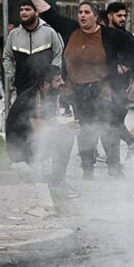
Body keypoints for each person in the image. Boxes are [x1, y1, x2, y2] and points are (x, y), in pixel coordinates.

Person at [21, 0, 134, 179]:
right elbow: (50, 14)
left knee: (108, 129)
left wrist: (123, 68)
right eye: (80, 12)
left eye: (86, 12)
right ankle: (87, 169)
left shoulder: (109, 34)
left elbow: (133, 48)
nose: (82, 15)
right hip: (78, 91)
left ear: (95, 17)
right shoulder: (71, 30)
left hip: (102, 89)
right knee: (85, 130)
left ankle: (114, 167)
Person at [5, 64, 79, 198]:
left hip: (31, 144)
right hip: (20, 151)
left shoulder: (46, 96)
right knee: (64, 137)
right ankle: (57, 182)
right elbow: (38, 128)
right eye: (57, 80)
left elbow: (50, 123)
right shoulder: (33, 98)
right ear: (46, 84)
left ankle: (56, 178)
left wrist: (69, 127)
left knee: (65, 134)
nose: (62, 83)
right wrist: (64, 128)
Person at [2, 0, 64, 95]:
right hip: (23, 89)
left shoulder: (50, 32)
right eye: (21, 10)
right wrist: (13, 77)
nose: (23, 12)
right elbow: (7, 57)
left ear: (36, 12)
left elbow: (59, 54)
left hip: (47, 90)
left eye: (27, 9)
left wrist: (52, 78)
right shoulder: (14, 34)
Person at [106, 1, 134, 158]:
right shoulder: (102, 35)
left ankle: (128, 146)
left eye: (124, 16)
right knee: (107, 123)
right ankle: (119, 153)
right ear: (110, 16)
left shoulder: (128, 37)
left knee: (113, 123)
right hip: (103, 87)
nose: (122, 18)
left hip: (121, 89)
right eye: (119, 15)